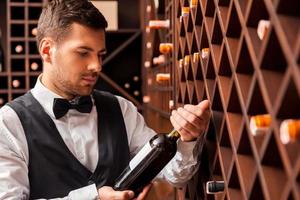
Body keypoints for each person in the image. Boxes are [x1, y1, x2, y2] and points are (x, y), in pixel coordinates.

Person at [0, 0, 210, 199]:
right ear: (47, 50)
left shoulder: (121, 108)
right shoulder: (9, 123)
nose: (97, 66)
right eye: (83, 53)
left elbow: (175, 175)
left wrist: (187, 138)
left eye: (100, 55)